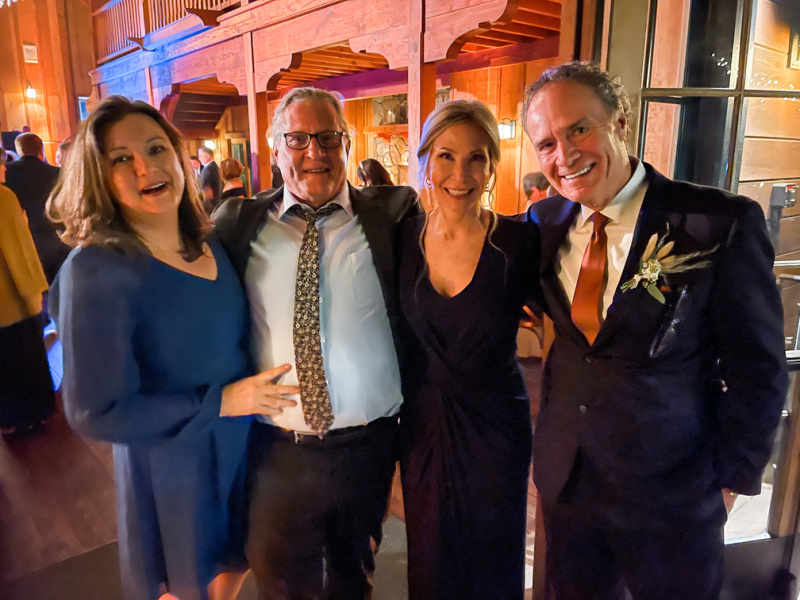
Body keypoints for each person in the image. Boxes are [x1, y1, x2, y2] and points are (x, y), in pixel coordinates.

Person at [522, 61, 787, 599]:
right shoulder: (543, 224)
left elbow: (758, 366)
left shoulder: (716, 222)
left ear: (620, 122)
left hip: (675, 489)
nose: (564, 154)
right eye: (546, 142)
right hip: (570, 482)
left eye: (579, 129)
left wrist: (734, 478)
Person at [47, 95, 293, 600]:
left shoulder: (214, 240)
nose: (146, 167)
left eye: (157, 149)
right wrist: (223, 401)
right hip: (173, 468)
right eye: (121, 159)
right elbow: (96, 412)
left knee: (233, 569)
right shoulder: (96, 269)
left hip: (243, 448)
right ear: (98, 177)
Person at [214, 86, 418, 599]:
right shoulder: (238, 224)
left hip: (368, 447)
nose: (315, 152)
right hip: (279, 449)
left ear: (347, 143)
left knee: (355, 576)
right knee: (280, 579)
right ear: (273, 145)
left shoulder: (393, 213)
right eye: (298, 138)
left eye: (329, 137)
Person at [396, 99, 540, 599]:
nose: (461, 173)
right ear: (426, 163)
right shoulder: (401, 238)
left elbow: (570, 329)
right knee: (430, 562)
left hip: (495, 427)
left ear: (492, 167)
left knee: (492, 559)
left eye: (476, 157)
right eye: (446, 156)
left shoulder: (520, 243)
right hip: (422, 424)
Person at [0, 153, 55, 435]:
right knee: (25, 358)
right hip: (11, 300)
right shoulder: (4, 198)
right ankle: (35, 414)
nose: (4, 169)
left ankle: (8, 418)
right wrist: (35, 294)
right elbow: (18, 251)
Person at [6, 132, 70, 285]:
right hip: (55, 238)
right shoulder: (58, 173)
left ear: (18, 150)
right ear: (41, 149)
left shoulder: (6, 173)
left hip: (22, 241)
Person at [198, 146, 223, 212]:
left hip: (210, 206)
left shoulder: (208, 169)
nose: (199, 158)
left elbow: (207, 191)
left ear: (207, 157)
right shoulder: (214, 167)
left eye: (200, 156)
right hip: (217, 203)